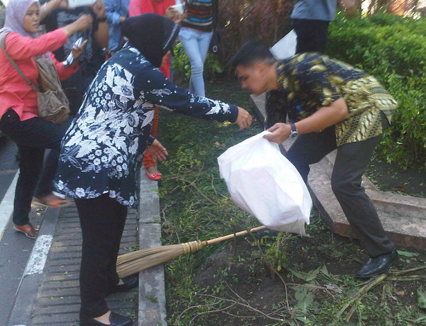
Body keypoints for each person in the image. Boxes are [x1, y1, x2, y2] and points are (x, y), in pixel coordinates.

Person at [53, 14, 252, 326]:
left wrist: (146, 138)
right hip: (93, 163)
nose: (169, 51)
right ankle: (91, 312)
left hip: (104, 157)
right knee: (98, 238)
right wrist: (232, 110)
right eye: (168, 45)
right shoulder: (140, 69)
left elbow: (116, 109)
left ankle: (108, 279)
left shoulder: (125, 58)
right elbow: (185, 102)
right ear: (153, 43)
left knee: (115, 222)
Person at [231, 40, 399, 278]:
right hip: (335, 114)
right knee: (293, 163)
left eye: (244, 77)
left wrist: (293, 128)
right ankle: (289, 223)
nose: (243, 85)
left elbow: (338, 109)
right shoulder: (275, 93)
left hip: (365, 108)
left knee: (344, 183)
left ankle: (384, 251)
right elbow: (271, 138)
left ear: (259, 68)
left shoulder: (304, 67)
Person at [0, 0, 92, 239]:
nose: (34, 18)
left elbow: (56, 71)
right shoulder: (9, 38)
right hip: (13, 113)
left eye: (35, 13)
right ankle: (44, 190)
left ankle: (20, 219)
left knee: (30, 167)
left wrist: (73, 58)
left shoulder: (36, 41)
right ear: (17, 16)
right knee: (66, 140)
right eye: (28, 14)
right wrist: (71, 29)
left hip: (31, 112)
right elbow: (31, 48)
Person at [126, 0, 185, 181]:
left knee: (154, 113)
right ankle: (147, 160)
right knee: (142, 113)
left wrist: (176, 22)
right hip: (140, 68)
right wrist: (164, 21)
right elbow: (139, 36)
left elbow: (171, 39)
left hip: (160, 65)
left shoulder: (171, 2)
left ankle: (146, 152)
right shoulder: (137, 3)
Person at [41, 0, 109, 117]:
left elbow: (103, 42)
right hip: (60, 74)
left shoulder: (89, 3)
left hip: (90, 70)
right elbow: (28, 19)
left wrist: (101, 17)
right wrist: (56, 3)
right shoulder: (49, 4)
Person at [178, 0, 215, 97]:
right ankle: (203, 104)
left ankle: (191, 99)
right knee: (197, 66)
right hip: (188, 31)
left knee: (198, 68)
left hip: (206, 32)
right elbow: (180, 5)